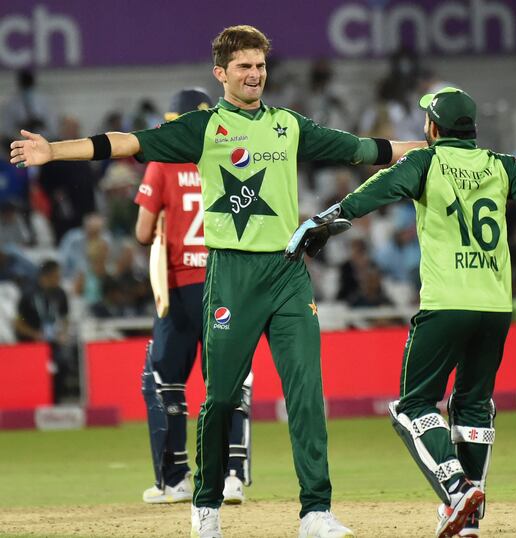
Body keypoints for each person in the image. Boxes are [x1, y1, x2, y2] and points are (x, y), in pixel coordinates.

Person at [10, 24, 422, 538]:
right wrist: (55, 150)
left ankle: (316, 511)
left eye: (261, 66)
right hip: (230, 273)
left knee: (307, 394)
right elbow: (126, 142)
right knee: (222, 395)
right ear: (221, 73)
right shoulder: (203, 129)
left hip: (289, 273)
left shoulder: (288, 125)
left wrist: (429, 147)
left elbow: (365, 149)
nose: (255, 75)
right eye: (244, 67)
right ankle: (205, 505)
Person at [286, 86, 516, 538]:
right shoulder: (500, 166)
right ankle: (467, 520)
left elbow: (378, 190)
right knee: (473, 406)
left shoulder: (425, 162)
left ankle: (455, 487)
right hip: (495, 307)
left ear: (432, 127)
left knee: (412, 406)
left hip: (447, 303)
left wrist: (330, 219)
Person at [134, 88, 253, 506]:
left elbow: (143, 232)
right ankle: (233, 477)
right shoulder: (231, 158)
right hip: (227, 282)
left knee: (165, 381)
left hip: (182, 287)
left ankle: (176, 479)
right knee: (229, 381)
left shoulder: (163, 162)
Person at [15, 260, 78, 403]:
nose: (59, 279)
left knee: (63, 363)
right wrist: (35, 334)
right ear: (47, 276)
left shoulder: (60, 294)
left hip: (53, 342)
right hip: (32, 344)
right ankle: (34, 401)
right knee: (36, 371)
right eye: (57, 276)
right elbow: (19, 323)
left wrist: (63, 332)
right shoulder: (28, 295)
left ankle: (56, 402)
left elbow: (65, 318)